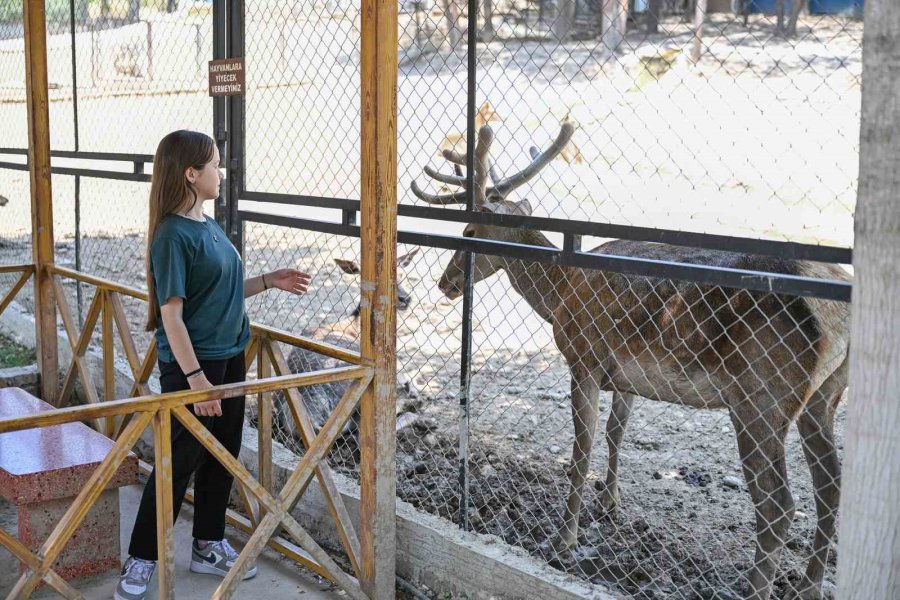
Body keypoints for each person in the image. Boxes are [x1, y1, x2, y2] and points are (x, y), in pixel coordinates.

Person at [115, 130, 311, 600]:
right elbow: (172, 316)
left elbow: (219, 291)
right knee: (176, 463)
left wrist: (268, 280)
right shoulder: (172, 235)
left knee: (221, 456)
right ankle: (142, 559)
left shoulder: (208, 224)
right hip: (192, 367)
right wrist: (198, 381)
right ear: (191, 173)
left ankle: (207, 544)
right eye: (216, 165)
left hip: (228, 359)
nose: (223, 173)